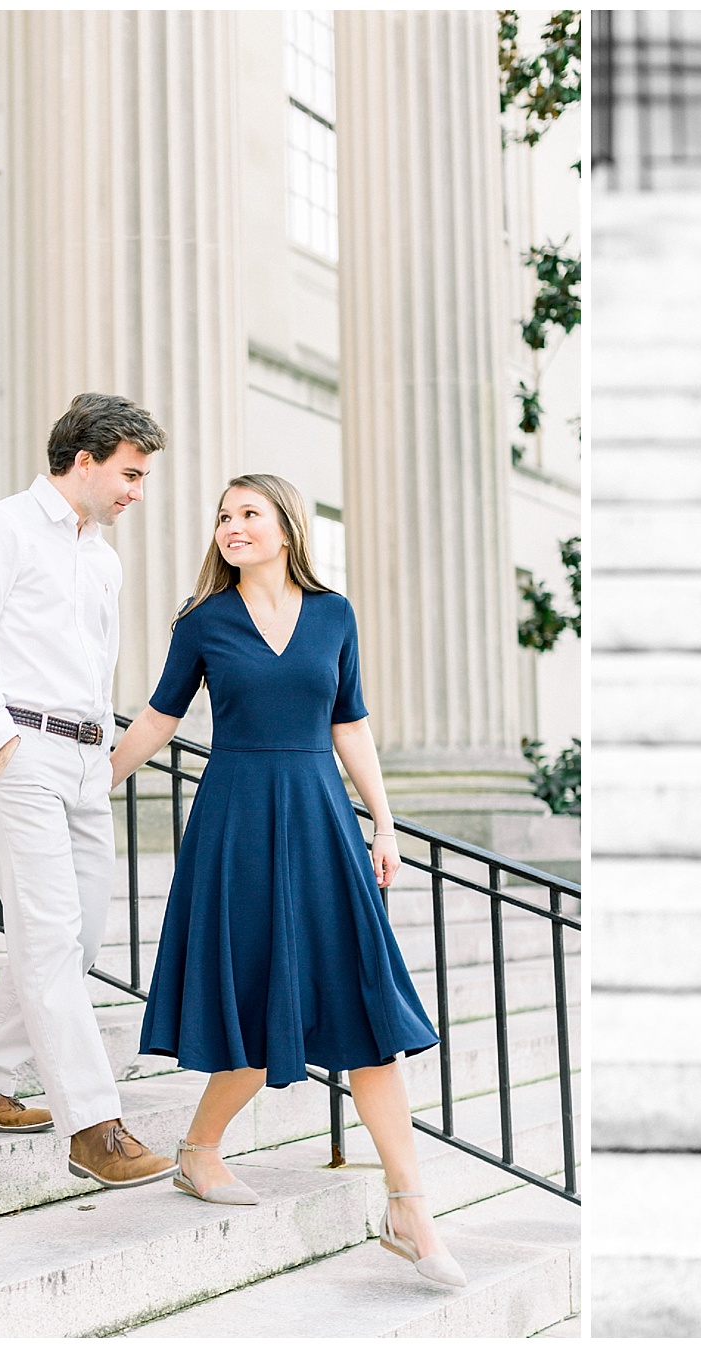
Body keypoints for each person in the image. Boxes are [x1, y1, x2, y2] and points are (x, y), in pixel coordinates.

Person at [109, 473, 462, 1287]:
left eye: (249, 514)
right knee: (255, 998)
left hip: (318, 821)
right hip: (234, 826)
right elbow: (161, 716)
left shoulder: (334, 614)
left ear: (286, 527)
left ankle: (410, 1207)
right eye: (224, 517)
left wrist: (383, 821)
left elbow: (350, 721)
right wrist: (99, 784)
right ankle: (200, 1151)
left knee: (369, 1012)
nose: (233, 527)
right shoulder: (204, 623)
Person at [0, 391, 178, 1189]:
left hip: (81, 761)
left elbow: (96, 666)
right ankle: (93, 1128)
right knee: (46, 939)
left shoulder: (103, 557)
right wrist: (3, 743)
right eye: (131, 474)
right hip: (16, 757)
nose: (137, 492)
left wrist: (99, 757)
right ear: (86, 460)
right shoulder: (0, 529)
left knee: (78, 940)